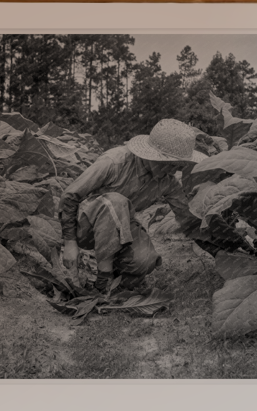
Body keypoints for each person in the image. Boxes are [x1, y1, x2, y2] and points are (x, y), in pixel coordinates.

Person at [58, 118, 203, 295]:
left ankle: (115, 276)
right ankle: (102, 282)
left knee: (145, 261)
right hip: (85, 227)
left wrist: (224, 245)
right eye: (170, 164)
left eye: (178, 166)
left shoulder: (167, 181)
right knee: (116, 202)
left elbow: (187, 216)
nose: (173, 171)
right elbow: (70, 195)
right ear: (153, 155)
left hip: (120, 228)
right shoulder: (114, 162)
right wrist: (70, 243)